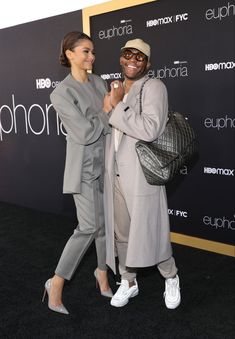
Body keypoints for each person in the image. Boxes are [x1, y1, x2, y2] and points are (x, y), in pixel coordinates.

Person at [102, 38, 181, 309]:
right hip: (115, 172)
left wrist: (118, 105)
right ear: (120, 57)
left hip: (142, 173)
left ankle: (171, 277)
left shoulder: (155, 86)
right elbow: (113, 129)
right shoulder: (116, 86)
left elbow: (150, 129)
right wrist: (111, 105)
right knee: (122, 233)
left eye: (139, 57)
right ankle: (128, 281)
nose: (132, 61)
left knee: (151, 230)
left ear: (148, 63)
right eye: (127, 55)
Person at [42, 31, 113, 315]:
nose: (91, 56)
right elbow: (83, 133)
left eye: (93, 51)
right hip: (83, 168)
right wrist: (106, 113)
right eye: (85, 51)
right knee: (88, 226)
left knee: (104, 225)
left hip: (106, 163)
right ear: (69, 53)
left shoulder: (99, 82)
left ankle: (102, 273)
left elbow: (110, 122)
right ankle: (56, 283)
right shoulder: (61, 92)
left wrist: (107, 114)